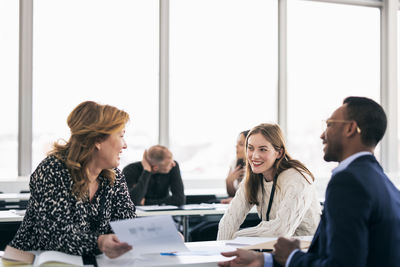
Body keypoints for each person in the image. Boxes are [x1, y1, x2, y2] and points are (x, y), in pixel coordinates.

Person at [219, 96, 400, 267]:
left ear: (350, 129)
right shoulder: (380, 182)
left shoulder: (349, 182)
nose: (322, 135)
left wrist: (292, 256)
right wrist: (265, 259)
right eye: (250, 148)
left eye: (329, 124)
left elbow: (340, 264)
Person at [9, 101, 136, 259]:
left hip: (89, 260)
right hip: (36, 260)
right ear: (97, 140)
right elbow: (54, 235)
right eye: (121, 135)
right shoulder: (53, 169)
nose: (125, 145)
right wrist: (100, 242)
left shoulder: (113, 176)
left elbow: (127, 226)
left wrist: (162, 238)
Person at [217, 123, 321, 240]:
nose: (254, 156)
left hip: (306, 250)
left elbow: (281, 231)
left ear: (279, 153)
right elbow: (229, 221)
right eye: (250, 148)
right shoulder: (254, 178)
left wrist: (237, 236)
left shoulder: (297, 179)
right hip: (273, 247)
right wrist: (222, 250)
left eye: (263, 149)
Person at [220, 130, 249, 204]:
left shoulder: (257, 167)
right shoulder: (234, 163)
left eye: (241, 144)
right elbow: (232, 195)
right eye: (237, 143)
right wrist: (229, 181)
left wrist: (235, 201)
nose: (236, 146)